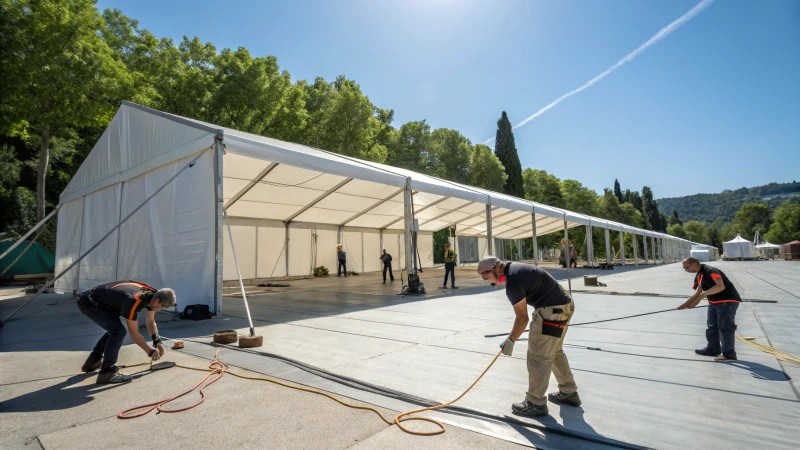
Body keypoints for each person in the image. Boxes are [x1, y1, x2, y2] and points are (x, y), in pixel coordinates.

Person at [478, 256, 580, 417]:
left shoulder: (513, 281)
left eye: (486, 276)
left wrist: (511, 339)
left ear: (497, 268)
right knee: (555, 352)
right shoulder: (514, 269)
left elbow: (522, 318)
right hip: (564, 305)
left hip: (551, 312)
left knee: (538, 356)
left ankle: (535, 403)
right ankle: (568, 392)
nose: (487, 281)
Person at [77, 281, 176, 384]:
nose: (160, 310)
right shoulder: (133, 301)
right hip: (89, 303)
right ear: (157, 301)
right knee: (118, 332)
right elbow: (134, 335)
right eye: (163, 307)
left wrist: (157, 342)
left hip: (98, 299)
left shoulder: (153, 294)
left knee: (115, 330)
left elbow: (150, 322)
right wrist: (150, 351)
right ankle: (107, 373)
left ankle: (93, 361)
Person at [678, 257, 742, 361]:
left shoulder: (710, 271)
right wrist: (685, 305)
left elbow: (720, 286)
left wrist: (704, 295)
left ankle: (729, 354)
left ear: (694, 263)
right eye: (684, 268)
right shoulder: (700, 275)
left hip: (727, 302)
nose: (685, 270)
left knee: (725, 327)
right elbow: (697, 294)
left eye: (686, 267)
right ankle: (713, 349)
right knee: (712, 326)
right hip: (714, 303)